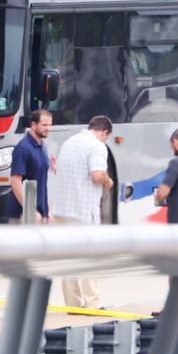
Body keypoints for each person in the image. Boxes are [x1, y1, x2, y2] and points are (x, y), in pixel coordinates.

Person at [53, 116, 115, 310]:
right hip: (83, 210)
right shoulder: (97, 146)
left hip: (62, 209)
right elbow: (97, 174)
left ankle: (72, 304)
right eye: (107, 137)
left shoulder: (69, 143)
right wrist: (108, 181)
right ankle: (92, 304)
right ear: (104, 132)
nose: (106, 141)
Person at [9, 109, 52, 223]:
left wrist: (47, 210)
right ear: (33, 125)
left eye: (50, 125)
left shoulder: (43, 146)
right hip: (23, 215)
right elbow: (15, 182)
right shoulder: (23, 148)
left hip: (40, 214)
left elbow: (42, 181)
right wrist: (30, 209)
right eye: (44, 125)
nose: (48, 128)